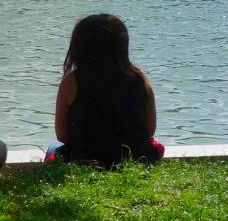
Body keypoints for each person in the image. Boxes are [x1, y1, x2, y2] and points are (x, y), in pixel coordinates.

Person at [48, 14, 162, 167]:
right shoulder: (140, 78)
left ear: (79, 47)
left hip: (86, 161)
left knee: (53, 149)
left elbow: (62, 136)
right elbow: (149, 131)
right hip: (136, 160)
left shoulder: (71, 81)